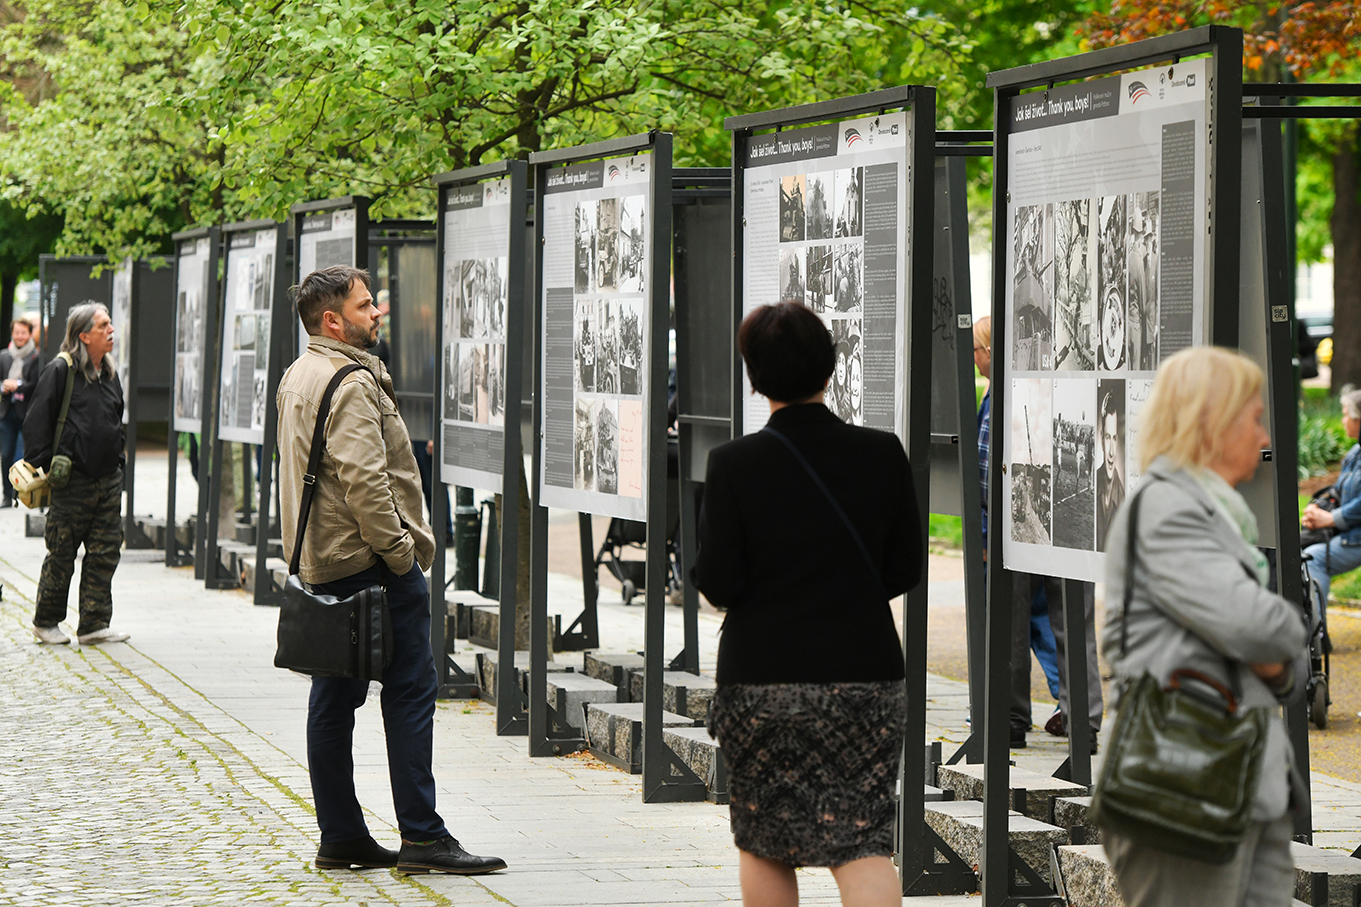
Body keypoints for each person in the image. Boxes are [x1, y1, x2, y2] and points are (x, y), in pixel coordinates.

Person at [277, 265, 505, 875]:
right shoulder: (349, 382)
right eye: (365, 304)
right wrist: (403, 556)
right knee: (409, 691)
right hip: (371, 564)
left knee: (334, 694)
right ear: (333, 320)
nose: (377, 311)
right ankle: (424, 838)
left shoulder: (299, 372)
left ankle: (342, 836)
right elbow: (365, 483)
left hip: (326, 562)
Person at [695, 300, 921, 907]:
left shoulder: (732, 464)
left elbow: (718, 581)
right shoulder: (882, 452)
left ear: (755, 376)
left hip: (762, 680)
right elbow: (906, 567)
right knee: (863, 840)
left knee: (766, 839)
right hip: (866, 678)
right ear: (829, 368)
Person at [1099, 347, 1307, 906]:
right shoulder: (1168, 508)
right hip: (1181, 786)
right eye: (1256, 418)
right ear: (1211, 421)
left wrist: (1274, 651)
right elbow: (1263, 628)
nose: (1265, 436)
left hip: (1239, 782)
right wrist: (1282, 635)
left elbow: (1281, 659)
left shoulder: (1219, 513)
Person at [24, 303, 130, 646]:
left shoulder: (110, 373)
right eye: (103, 325)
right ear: (84, 335)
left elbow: (117, 417)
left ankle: (94, 624)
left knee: (105, 551)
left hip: (107, 480)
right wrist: (47, 464)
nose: (111, 330)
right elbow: (37, 420)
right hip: (72, 480)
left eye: (110, 323)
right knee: (62, 551)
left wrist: (118, 460)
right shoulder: (61, 370)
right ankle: (46, 621)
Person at [1301, 387, 1361, 610]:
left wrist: (1331, 519)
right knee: (1297, 549)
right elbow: (1339, 490)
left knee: (1312, 558)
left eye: (1346, 414)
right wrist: (1317, 510)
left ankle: (1319, 637)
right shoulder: (1356, 452)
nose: (1343, 420)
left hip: (1356, 536)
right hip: (1349, 531)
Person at [0, 317, 42, 507]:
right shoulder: (4, 357)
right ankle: (7, 495)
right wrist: (4, 387)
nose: (19, 336)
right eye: (16, 332)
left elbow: (36, 385)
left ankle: (24, 493)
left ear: (30, 334)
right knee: (7, 452)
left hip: (27, 412)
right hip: (7, 411)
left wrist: (17, 385)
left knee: (26, 453)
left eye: (23, 332)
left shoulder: (36, 357)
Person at [1096, 387, 1125, 550]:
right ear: (1101, 440)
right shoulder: (1092, 488)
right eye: (1108, 438)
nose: (1112, 452)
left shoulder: (1123, 500)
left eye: (1114, 438)